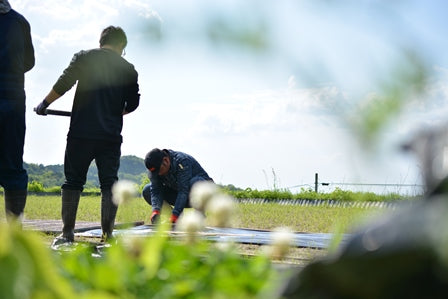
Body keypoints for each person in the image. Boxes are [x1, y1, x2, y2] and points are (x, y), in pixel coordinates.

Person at [35, 26, 140, 243]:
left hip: (81, 132)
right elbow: (133, 103)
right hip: (110, 136)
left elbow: (64, 83)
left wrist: (44, 104)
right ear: (121, 46)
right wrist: (113, 113)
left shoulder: (84, 58)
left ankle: (67, 235)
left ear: (102, 41)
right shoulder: (128, 68)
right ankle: (108, 236)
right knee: (109, 184)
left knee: (73, 182)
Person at [0, 0, 35, 223]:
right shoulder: (20, 21)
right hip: (12, 97)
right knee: (12, 166)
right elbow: (29, 62)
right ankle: (13, 235)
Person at [142, 148, 214, 224]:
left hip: (202, 195)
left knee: (196, 183)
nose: (158, 174)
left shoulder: (182, 161)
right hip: (180, 194)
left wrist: (176, 213)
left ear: (166, 161)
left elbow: (183, 190)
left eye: (159, 171)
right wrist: (155, 211)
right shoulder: (155, 169)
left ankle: (199, 217)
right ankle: (173, 219)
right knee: (147, 190)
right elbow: (155, 191)